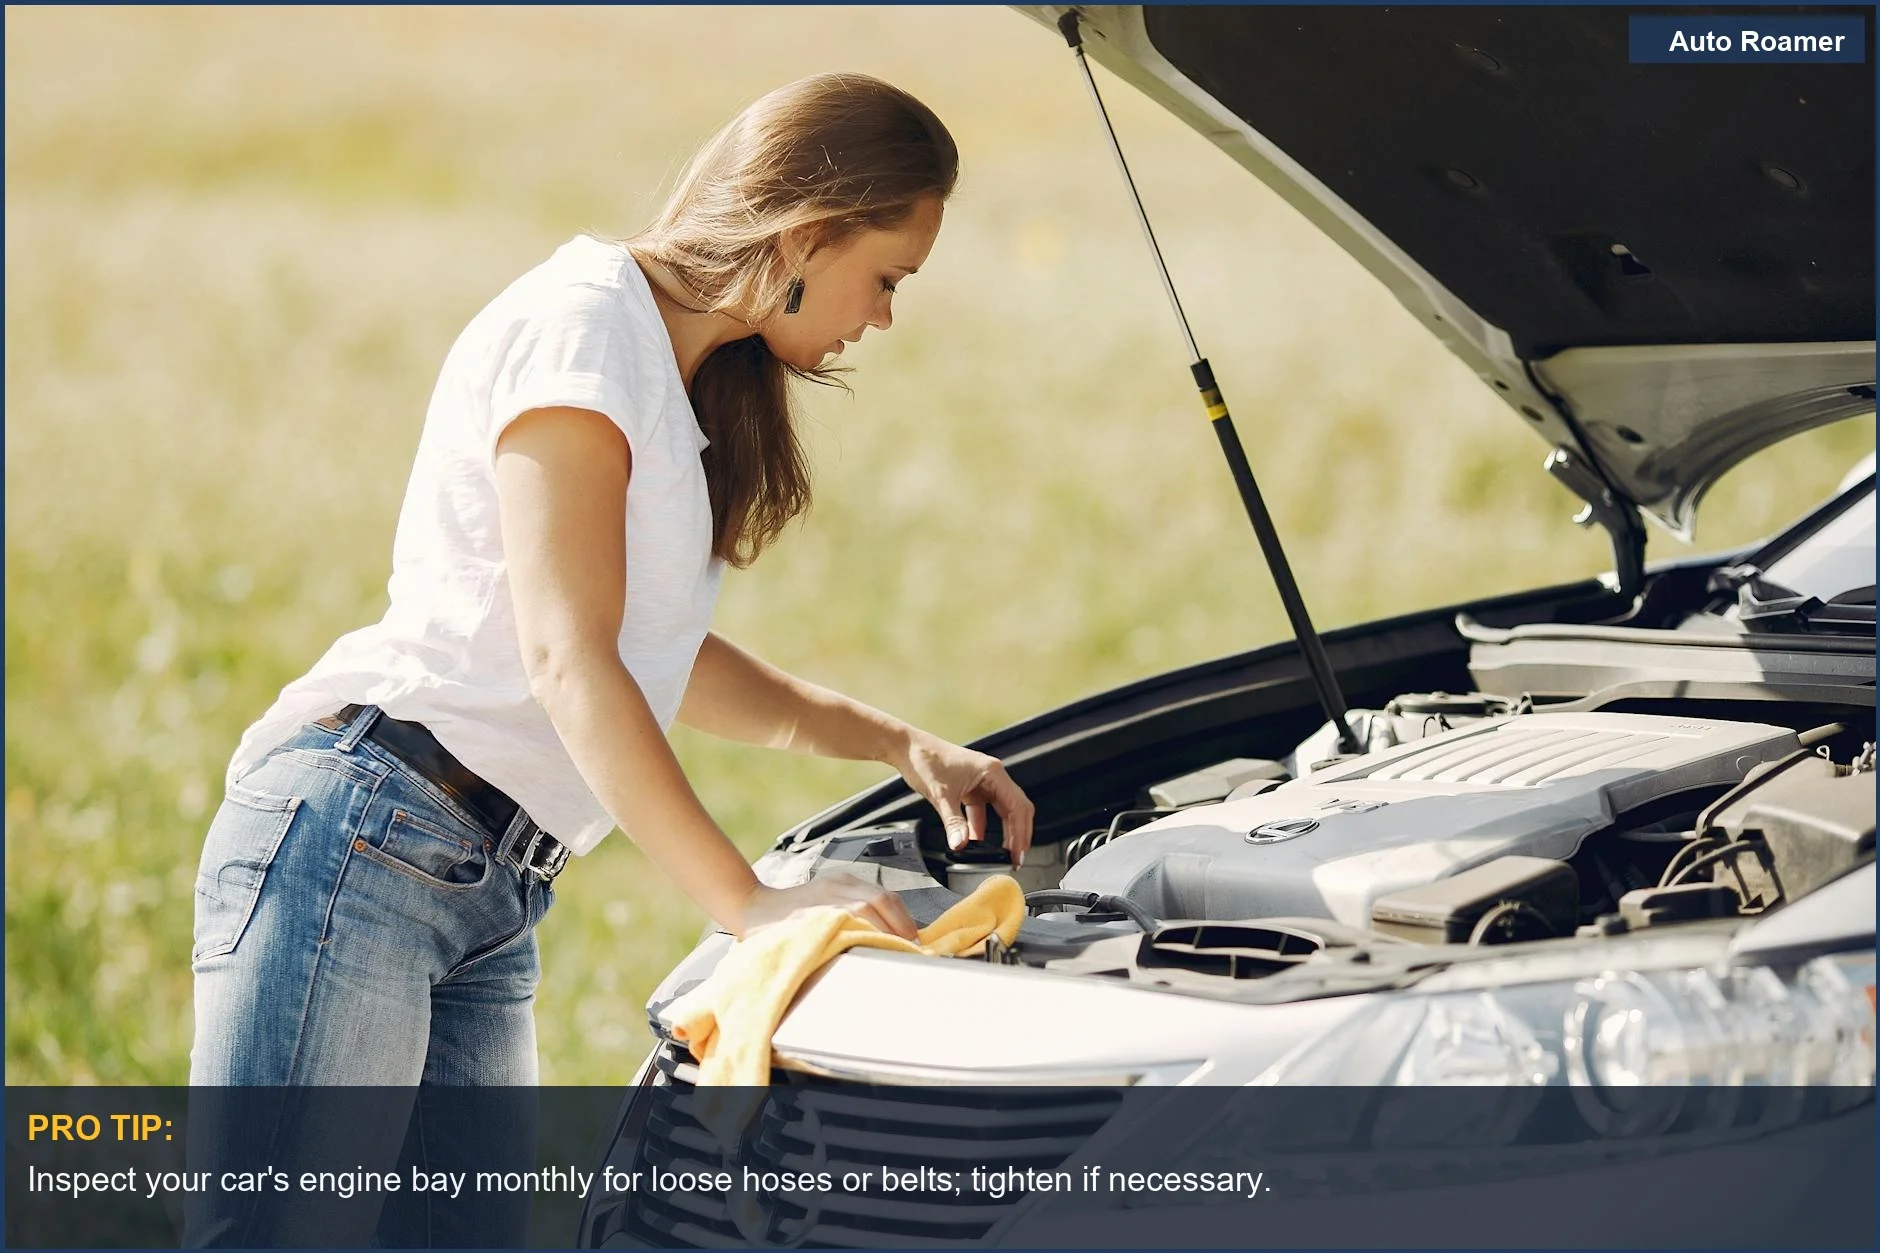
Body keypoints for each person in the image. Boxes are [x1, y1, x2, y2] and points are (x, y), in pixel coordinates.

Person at [183, 72, 1034, 1245]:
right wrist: (749, 903)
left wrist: (899, 741)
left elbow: (654, 654)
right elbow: (568, 658)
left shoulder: (677, 376)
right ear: (809, 232)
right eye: (886, 278)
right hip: (363, 843)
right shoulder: (581, 327)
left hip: (486, 889)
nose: (882, 316)